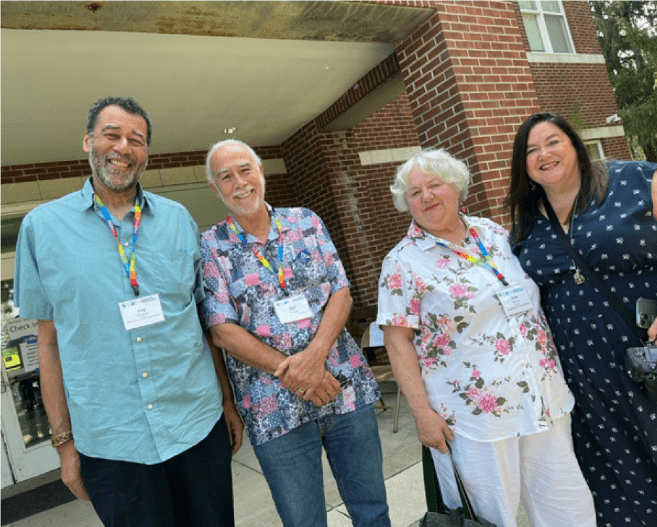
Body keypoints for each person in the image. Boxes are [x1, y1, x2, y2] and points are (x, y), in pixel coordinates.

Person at [14, 97, 242, 527]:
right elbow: (49, 342)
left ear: (147, 154)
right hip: (112, 444)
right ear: (87, 141)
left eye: (136, 140)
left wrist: (227, 402)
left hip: (196, 424)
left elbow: (199, 321)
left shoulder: (178, 220)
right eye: (111, 135)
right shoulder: (42, 228)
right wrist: (64, 444)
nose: (123, 147)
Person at [377, 148, 596, 527]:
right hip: (473, 420)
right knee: (487, 519)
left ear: (457, 188)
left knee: (568, 507)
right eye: (415, 193)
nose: (426, 196)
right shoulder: (402, 262)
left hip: (541, 397)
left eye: (435, 185)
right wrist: (422, 415)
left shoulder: (494, 234)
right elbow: (398, 343)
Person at [506, 112, 657, 527]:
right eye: (531, 150)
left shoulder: (637, 180)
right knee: (628, 489)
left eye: (553, 141)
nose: (544, 154)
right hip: (591, 385)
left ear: (575, 145)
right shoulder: (526, 224)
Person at [199, 139, 391, 527]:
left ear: (261, 172)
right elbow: (221, 331)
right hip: (273, 406)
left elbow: (340, 291)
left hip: (343, 385)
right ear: (214, 189)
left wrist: (315, 357)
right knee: (304, 521)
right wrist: (298, 374)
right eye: (226, 177)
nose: (239, 183)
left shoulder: (306, 220)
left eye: (245, 170)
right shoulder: (209, 246)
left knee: (372, 510)